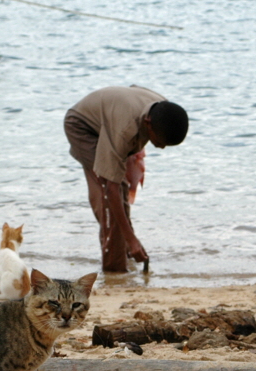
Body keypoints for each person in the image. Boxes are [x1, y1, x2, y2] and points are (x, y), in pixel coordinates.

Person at [64, 86, 188, 273]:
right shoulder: (124, 130)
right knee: (108, 197)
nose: (161, 147)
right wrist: (131, 238)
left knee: (120, 190)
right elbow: (111, 189)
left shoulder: (162, 109)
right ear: (148, 123)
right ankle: (114, 270)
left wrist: (133, 153)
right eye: (160, 141)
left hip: (109, 122)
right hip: (82, 126)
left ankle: (125, 252)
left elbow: (134, 89)